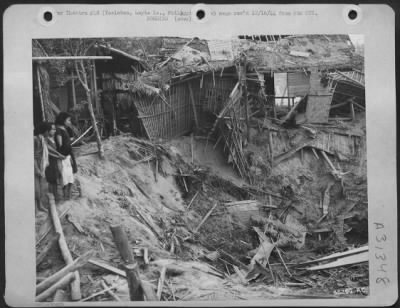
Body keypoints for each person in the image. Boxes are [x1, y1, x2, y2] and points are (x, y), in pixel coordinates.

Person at [55, 112, 77, 200]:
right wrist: (61, 156)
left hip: (68, 155)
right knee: (64, 177)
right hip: (63, 157)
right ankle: (65, 196)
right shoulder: (58, 130)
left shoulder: (64, 129)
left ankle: (69, 195)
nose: (70, 122)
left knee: (70, 175)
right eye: (68, 120)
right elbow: (60, 145)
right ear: (63, 120)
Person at [44, 122, 66, 201]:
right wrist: (59, 156)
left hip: (55, 162)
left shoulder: (53, 139)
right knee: (51, 181)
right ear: (48, 130)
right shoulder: (46, 140)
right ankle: (51, 199)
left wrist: (59, 156)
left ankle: (56, 197)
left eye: (55, 129)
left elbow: (55, 151)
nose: (54, 131)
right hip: (49, 162)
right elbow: (49, 152)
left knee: (55, 180)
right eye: (52, 129)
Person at [34, 123, 50, 212]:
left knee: (40, 187)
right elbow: (33, 156)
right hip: (35, 166)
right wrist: (36, 169)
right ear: (45, 131)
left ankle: (40, 205)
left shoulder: (43, 140)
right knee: (36, 188)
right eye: (48, 131)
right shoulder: (35, 139)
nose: (49, 133)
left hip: (40, 165)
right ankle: (36, 207)